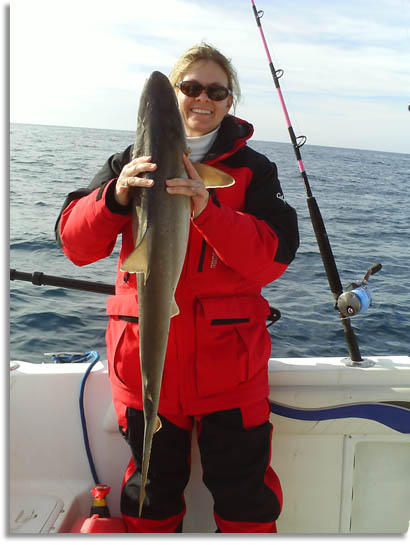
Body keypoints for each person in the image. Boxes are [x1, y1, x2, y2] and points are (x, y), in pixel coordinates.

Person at [56, 42, 299, 533]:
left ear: (230, 101)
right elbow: (75, 244)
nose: (202, 99)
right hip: (145, 367)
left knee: (246, 500)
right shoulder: (127, 163)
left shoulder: (253, 170)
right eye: (190, 88)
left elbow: (272, 259)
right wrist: (115, 194)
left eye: (216, 90)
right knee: (148, 497)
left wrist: (208, 209)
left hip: (229, 372)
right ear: (175, 94)